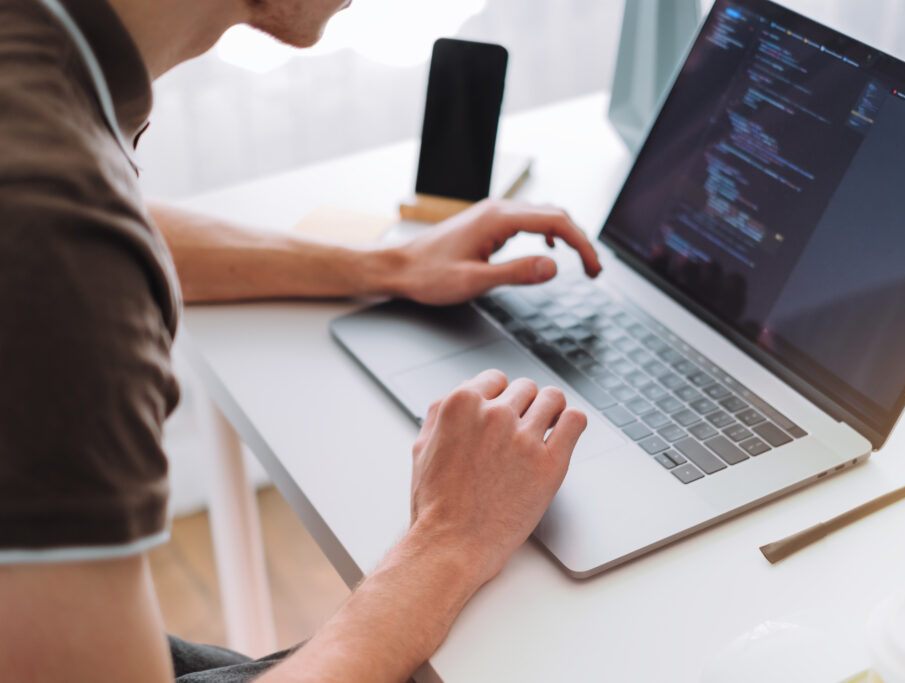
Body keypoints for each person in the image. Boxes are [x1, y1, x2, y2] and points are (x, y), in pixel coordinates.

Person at [0, 0, 603, 680]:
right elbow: (67, 240)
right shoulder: (51, 235)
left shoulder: (37, 75)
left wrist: (388, 266)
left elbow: (116, 219)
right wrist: (448, 538)